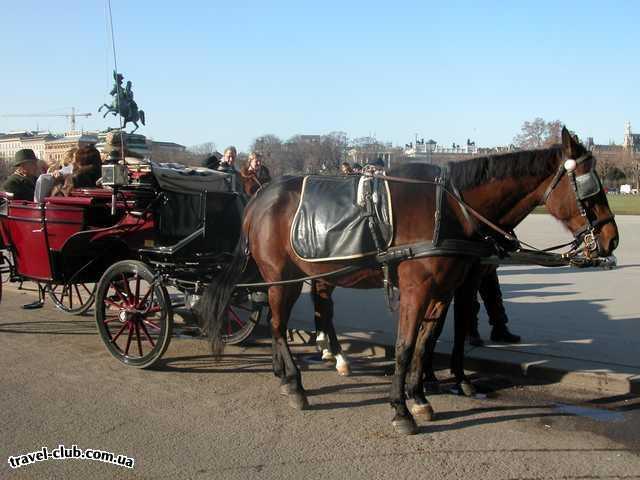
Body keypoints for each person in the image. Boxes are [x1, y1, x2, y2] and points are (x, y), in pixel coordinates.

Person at [467, 269, 521, 346]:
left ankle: (499, 328)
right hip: (467, 262)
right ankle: (471, 330)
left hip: (487, 262)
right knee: (470, 296)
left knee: (493, 292)